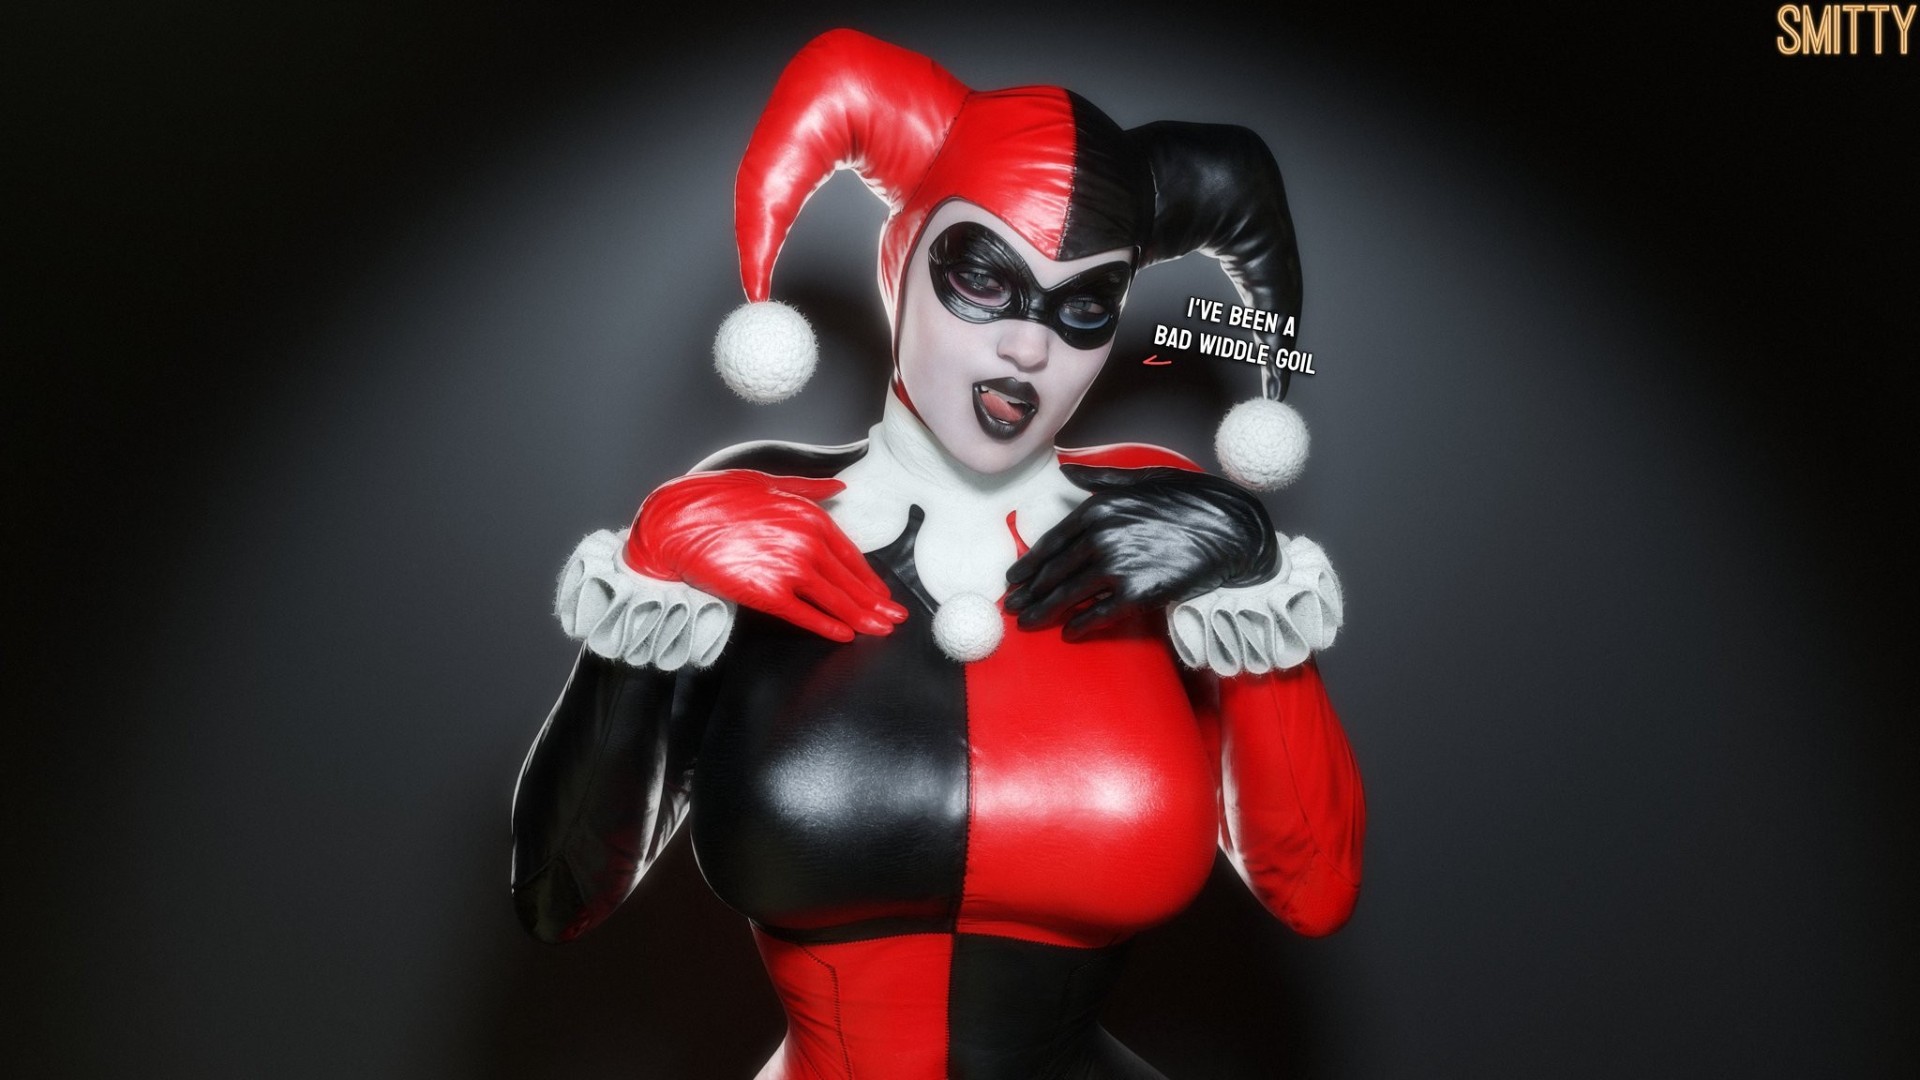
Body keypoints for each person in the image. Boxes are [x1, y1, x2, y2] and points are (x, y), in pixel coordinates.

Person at [512, 30, 1364, 1079]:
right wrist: (647, 584)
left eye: (1084, 305)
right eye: (984, 277)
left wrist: (1252, 570)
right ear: (901, 260)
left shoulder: (1167, 527)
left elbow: (1313, 890)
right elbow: (558, 895)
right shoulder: (752, 513)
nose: (1028, 346)